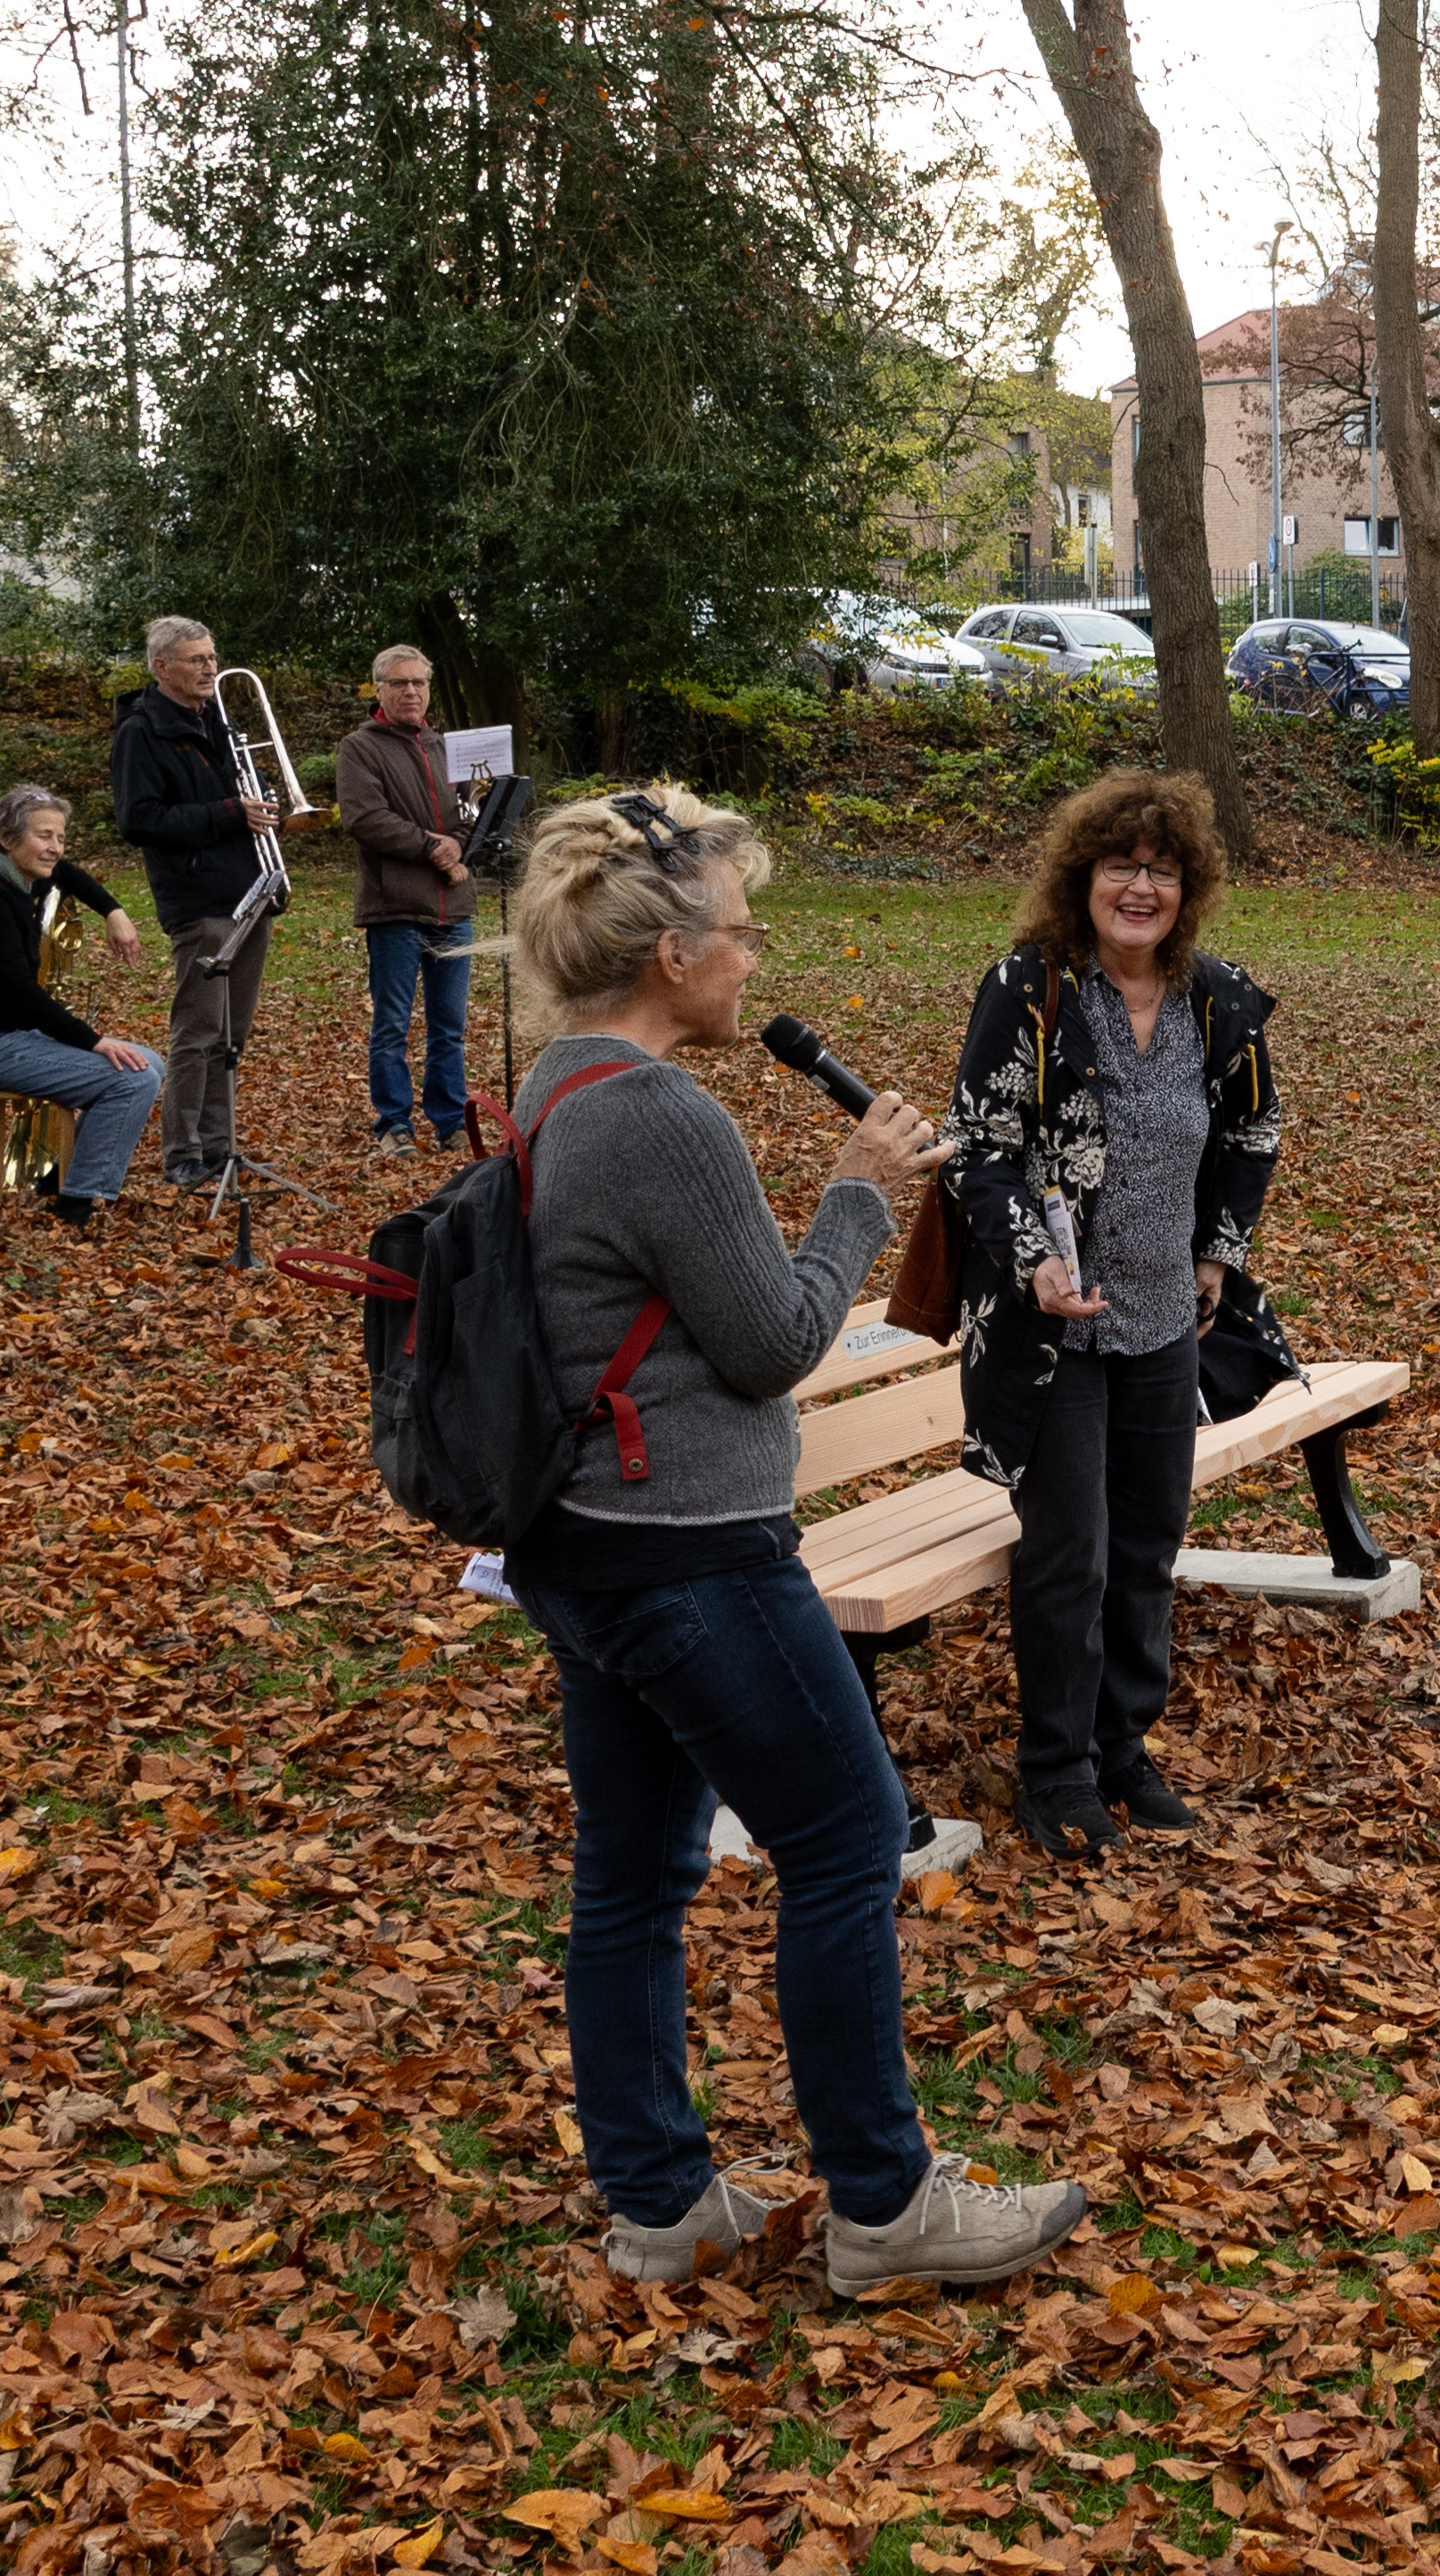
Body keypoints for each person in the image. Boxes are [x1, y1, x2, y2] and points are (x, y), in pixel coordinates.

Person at [503, 783, 1091, 2297]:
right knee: (842, 1846)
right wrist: (853, 1201)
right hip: (695, 1555)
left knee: (628, 1880)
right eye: (741, 933)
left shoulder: (553, 1085)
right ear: (670, 952)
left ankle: (661, 2205)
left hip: (588, 1551)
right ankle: (885, 2209)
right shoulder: (657, 1113)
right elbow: (770, 1344)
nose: (753, 960)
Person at [942, 772, 1281, 1865]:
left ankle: (1122, 1743)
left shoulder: (1214, 999)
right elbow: (977, 1147)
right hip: (1055, 1328)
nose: (1140, 887)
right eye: (1119, 866)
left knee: (1146, 1545)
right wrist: (1033, 1261)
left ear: (1189, 887)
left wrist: (1217, 1255)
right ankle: (1057, 1769)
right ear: (1080, 877)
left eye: (1162, 869)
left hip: (1159, 1320)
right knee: (1069, 1554)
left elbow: (1253, 1131)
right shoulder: (1030, 991)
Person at [0, 788, 162, 1230]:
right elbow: (19, 995)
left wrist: (113, 910)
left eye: (61, 836)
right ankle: (76, 1203)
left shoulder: (15, 880)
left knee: (152, 1062)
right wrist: (92, 1041)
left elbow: (67, 873)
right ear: (6, 837)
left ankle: (60, 1180)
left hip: (8, 1037)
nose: (55, 847)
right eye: (43, 835)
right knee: (131, 1078)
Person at [109, 617, 280, 1187]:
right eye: (195, 660)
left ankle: (220, 1146)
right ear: (161, 667)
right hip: (199, 899)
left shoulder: (219, 722)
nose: (210, 668)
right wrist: (231, 813)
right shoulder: (140, 732)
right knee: (199, 1031)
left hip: (250, 891)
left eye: (212, 656)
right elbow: (139, 819)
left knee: (233, 1034)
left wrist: (259, 809)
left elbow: (236, 798)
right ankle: (182, 1153)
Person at [335, 646, 477, 1153]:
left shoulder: (447, 747)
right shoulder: (360, 747)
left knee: (450, 1027)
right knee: (392, 1024)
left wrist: (460, 841)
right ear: (379, 689)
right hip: (395, 907)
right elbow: (364, 818)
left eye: (419, 682)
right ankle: (394, 1125)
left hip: (453, 907)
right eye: (399, 683)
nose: (411, 691)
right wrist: (432, 848)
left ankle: (451, 1123)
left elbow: (469, 810)